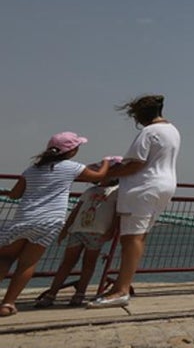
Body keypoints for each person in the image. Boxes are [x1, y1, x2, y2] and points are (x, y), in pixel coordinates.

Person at [0, 132, 111, 317]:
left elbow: (15, 195)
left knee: (4, 259)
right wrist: (107, 161)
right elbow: (98, 176)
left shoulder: (32, 170)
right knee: (27, 263)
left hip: (23, 218)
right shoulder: (73, 167)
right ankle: (7, 304)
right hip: (50, 221)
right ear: (72, 151)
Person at [89, 95, 181, 308]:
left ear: (140, 115)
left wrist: (104, 174)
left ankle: (121, 290)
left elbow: (136, 164)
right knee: (140, 237)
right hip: (165, 184)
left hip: (144, 187)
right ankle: (123, 284)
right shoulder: (172, 130)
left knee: (130, 239)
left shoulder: (149, 132)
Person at [34, 157, 123, 307]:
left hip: (97, 232)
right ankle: (52, 293)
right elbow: (76, 210)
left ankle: (80, 293)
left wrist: (111, 230)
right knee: (67, 263)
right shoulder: (90, 191)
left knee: (88, 264)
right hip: (77, 230)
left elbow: (116, 213)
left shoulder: (116, 192)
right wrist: (66, 228)